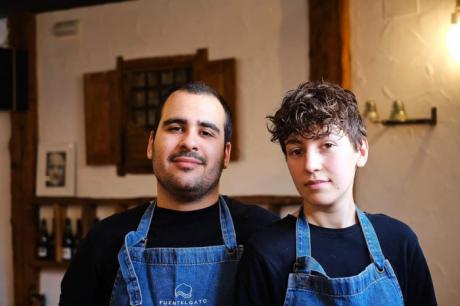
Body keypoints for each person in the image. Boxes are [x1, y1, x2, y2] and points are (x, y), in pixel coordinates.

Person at [59, 82, 278, 305]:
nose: (189, 142)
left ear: (226, 155)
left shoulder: (266, 236)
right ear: (151, 144)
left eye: (206, 132)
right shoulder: (103, 240)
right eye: (175, 128)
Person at [236, 81, 437, 306]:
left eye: (327, 145)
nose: (310, 165)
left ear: (361, 151)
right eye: (296, 151)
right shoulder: (266, 251)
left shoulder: (399, 241)